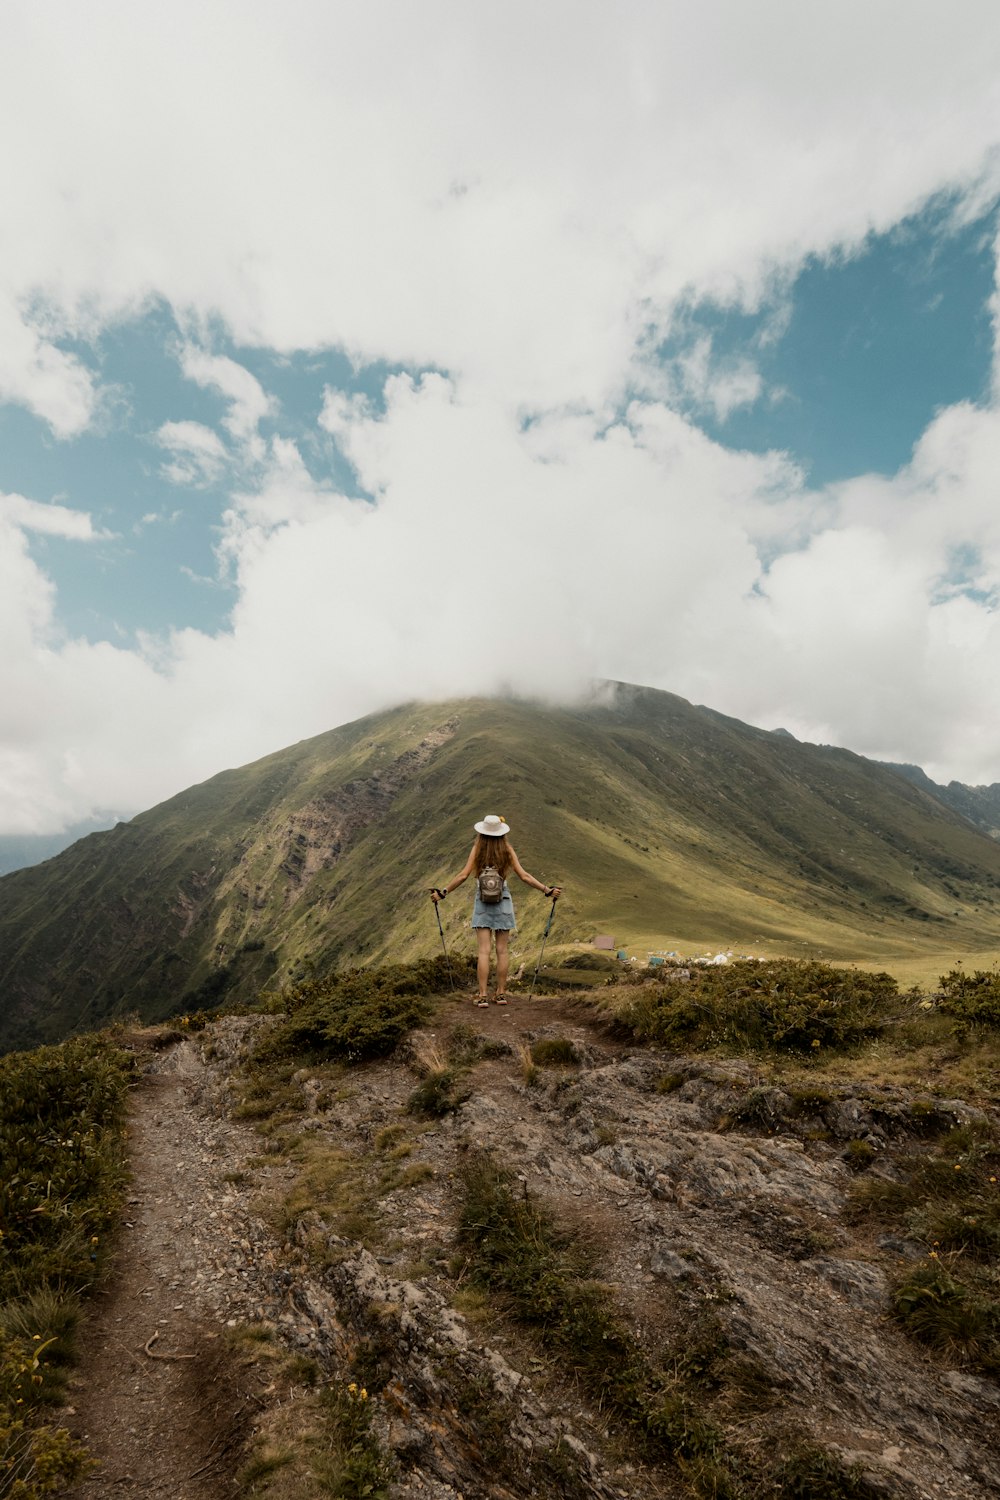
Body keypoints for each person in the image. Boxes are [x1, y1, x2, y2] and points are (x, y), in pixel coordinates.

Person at [431, 814, 562, 1005]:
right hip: (503, 900)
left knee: (484, 951)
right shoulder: (506, 849)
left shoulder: (477, 849)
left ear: (482, 832)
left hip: (482, 901)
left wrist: (443, 893)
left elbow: (463, 875)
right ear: (501, 833)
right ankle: (501, 993)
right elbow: (524, 876)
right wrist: (547, 890)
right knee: (502, 950)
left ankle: (482, 995)